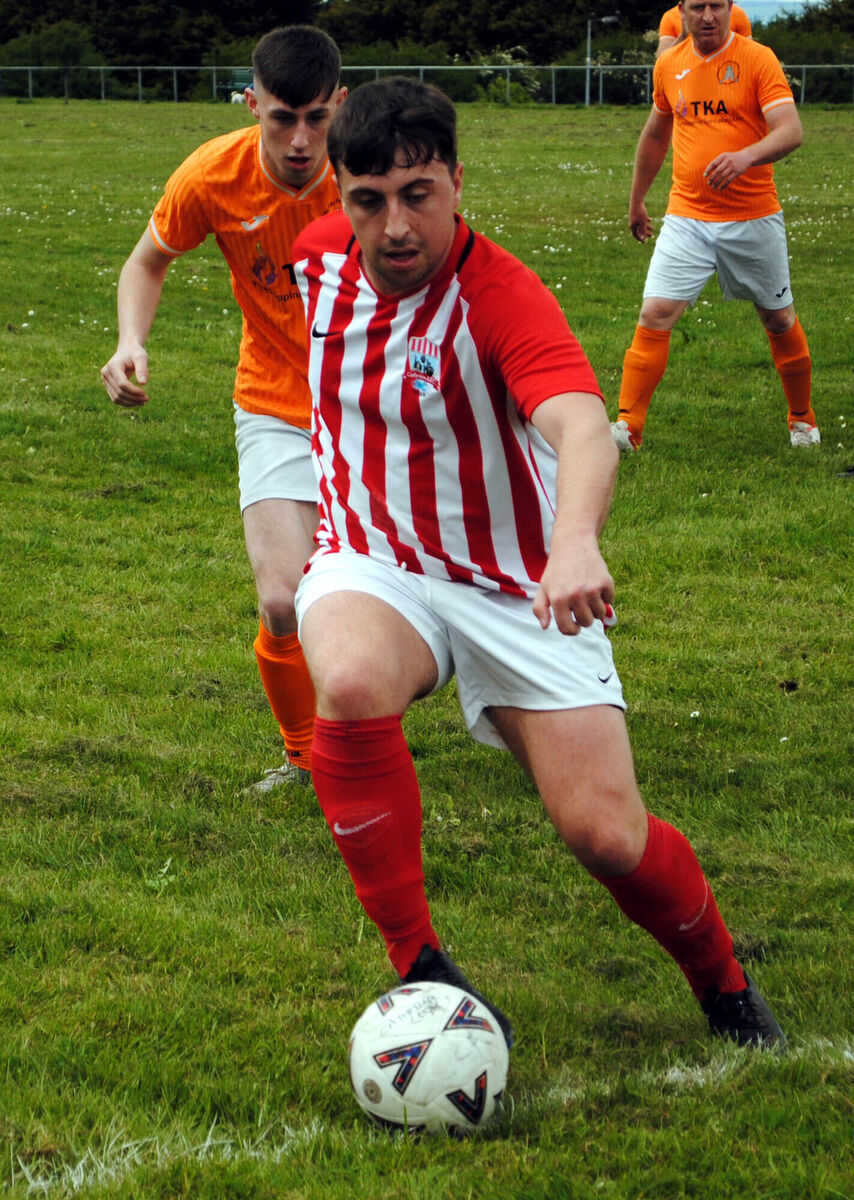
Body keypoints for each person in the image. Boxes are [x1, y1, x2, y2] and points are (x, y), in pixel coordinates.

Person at [291, 76, 785, 1049]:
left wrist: (573, 547)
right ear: (339, 197)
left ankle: (723, 984)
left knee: (604, 835)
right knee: (347, 681)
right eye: (369, 200)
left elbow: (581, 427)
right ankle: (420, 969)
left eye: (418, 195)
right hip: (373, 557)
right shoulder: (315, 262)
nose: (394, 227)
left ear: (456, 182)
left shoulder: (500, 294)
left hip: (523, 585)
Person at [100, 26, 346, 790]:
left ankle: (518, 695)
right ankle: (305, 757)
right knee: (281, 597)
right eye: (281, 117)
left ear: (340, 105)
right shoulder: (212, 175)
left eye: (316, 117)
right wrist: (128, 342)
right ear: (252, 105)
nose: (300, 139)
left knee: (443, 579)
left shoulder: (371, 165)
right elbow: (147, 262)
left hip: (375, 399)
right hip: (273, 397)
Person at [614, 0, 818, 453]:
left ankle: (802, 419)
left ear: (731, 9)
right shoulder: (669, 64)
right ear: (681, 12)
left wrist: (745, 156)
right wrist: (637, 201)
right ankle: (628, 427)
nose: (709, 17)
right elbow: (655, 135)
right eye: (698, 7)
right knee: (655, 313)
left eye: (717, 6)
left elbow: (791, 130)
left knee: (778, 317)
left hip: (753, 216)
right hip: (687, 216)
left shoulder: (756, 58)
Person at [656, 0, 751, 58]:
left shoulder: (738, 14)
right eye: (698, 7)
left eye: (715, 6)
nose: (708, 18)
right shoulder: (670, 17)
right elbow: (661, 58)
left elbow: (748, 54)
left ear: (729, 7)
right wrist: (683, 36)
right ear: (682, 10)